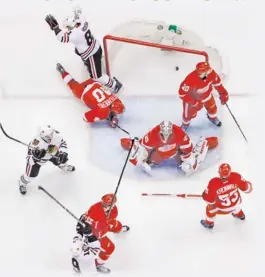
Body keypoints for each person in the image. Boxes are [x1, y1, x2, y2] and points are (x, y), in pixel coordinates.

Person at [45, 7, 122, 93]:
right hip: (96, 47)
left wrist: (56, 28)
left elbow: (62, 38)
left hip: (91, 55)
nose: (68, 29)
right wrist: (76, 14)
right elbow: (80, 12)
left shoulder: (75, 35)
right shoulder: (83, 23)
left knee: (97, 77)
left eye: (68, 27)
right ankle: (97, 68)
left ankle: (115, 85)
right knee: (77, 50)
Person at [120, 120, 218, 175]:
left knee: (190, 167)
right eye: (163, 134)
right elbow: (143, 146)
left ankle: (205, 144)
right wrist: (140, 156)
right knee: (145, 159)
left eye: (168, 134)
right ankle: (130, 143)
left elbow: (187, 146)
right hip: (159, 152)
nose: (165, 137)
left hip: (176, 151)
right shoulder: (153, 133)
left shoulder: (179, 132)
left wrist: (187, 157)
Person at [70, 194, 129, 274]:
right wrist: (84, 228)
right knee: (110, 248)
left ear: (113, 205)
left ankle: (119, 229)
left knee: (117, 225)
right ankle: (97, 264)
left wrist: (107, 219)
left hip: (106, 224)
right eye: (103, 204)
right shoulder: (95, 209)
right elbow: (83, 218)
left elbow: (111, 217)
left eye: (107, 205)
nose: (104, 206)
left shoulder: (114, 210)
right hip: (97, 233)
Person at [56, 63, 125, 127]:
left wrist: (111, 116)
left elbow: (110, 105)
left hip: (93, 82)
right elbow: (85, 117)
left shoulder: (117, 100)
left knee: (96, 74)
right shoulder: (103, 113)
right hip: (82, 91)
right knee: (71, 83)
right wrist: (107, 117)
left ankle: (89, 63)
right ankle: (63, 72)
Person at [18, 125, 75, 195]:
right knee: (30, 176)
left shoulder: (56, 135)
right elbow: (29, 159)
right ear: (42, 136)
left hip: (52, 152)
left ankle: (64, 166)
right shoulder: (35, 143)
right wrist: (36, 157)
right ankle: (22, 183)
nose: (51, 137)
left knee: (62, 159)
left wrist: (63, 152)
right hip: (39, 161)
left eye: (51, 134)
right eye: (48, 136)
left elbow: (62, 143)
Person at [178, 62, 229, 130]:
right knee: (188, 115)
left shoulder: (211, 73)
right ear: (202, 73)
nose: (210, 71)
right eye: (207, 71)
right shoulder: (190, 79)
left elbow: (217, 84)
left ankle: (212, 118)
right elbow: (182, 94)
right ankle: (185, 124)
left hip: (206, 95)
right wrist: (194, 102)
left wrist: (223, 93)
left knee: (212, 109)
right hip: (193, 98)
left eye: (209, 69)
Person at [201, 163, 253, 229]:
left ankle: (209, 223)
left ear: (219, 172)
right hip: (237, 202)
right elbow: (247, 189)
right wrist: (249, 185)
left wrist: (205, 195)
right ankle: (240, 215)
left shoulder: (213, 182)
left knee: (210, 209)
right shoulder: (236, 176)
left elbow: (210, 200)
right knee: (236, 206)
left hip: (223, 208)